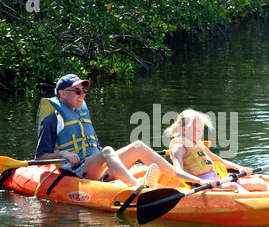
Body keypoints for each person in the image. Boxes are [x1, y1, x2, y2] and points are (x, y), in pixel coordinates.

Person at [35, 74, 175, 188]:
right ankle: (138, 185)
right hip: (75, 171)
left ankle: (182, 177)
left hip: (95, 168)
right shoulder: (51, 121)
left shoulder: (82, 117)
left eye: (83, 91)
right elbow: (39, 159)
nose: (82, 94)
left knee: (138, 146)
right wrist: (62, 153)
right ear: (63, 93)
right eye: (77, 91)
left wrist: (116, 163)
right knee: (108, 151)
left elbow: (95, 147)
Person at [164, 109, 269, 192]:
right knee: (233, 186)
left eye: (202, 130)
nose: (201, 134)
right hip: (203, 186)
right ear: (184, 130)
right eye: (198, 130)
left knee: (257, 182)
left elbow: (219, 160)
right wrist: (200, 180)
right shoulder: (178, 147)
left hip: (218, 179)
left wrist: (240, 168)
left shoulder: (199, 145)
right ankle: (260, 203)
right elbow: (178, 172)